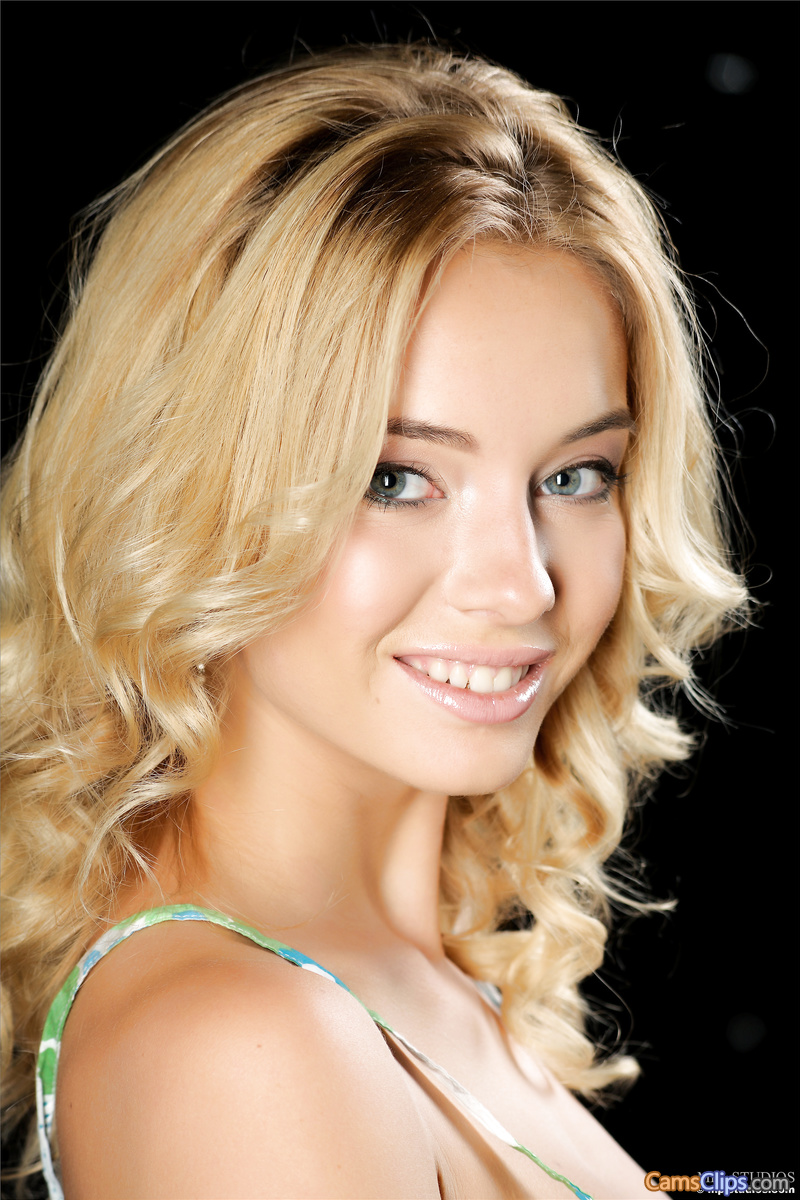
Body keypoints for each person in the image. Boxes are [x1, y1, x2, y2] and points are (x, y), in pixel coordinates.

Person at [1, 43, 748, 1200]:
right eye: (394, 479)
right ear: (189, 491)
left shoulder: (404, 981)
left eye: (574, 476)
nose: (521, 587)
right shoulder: (244, 1050)